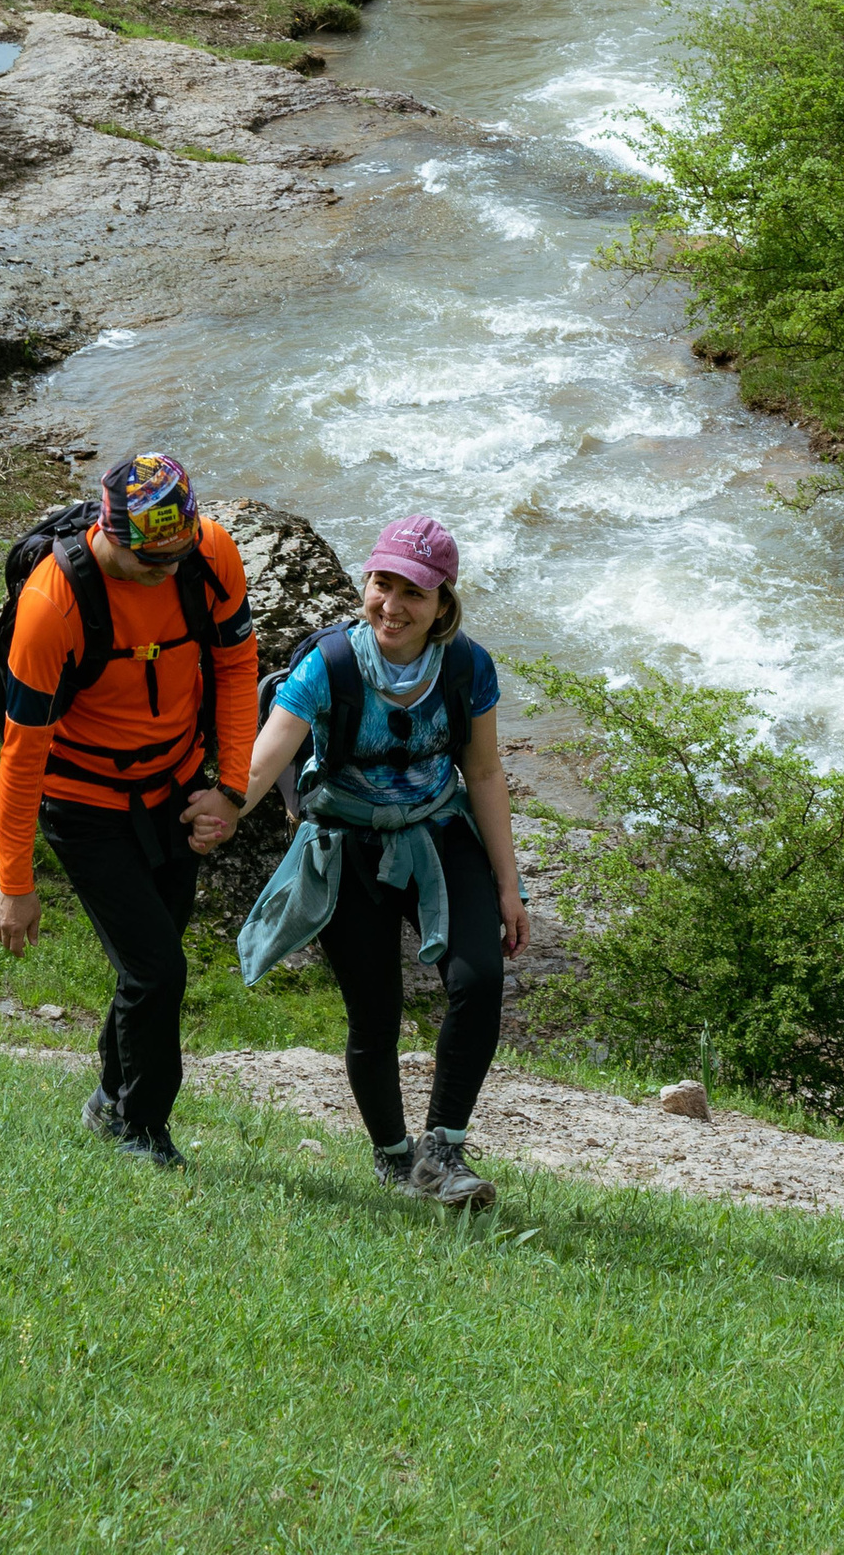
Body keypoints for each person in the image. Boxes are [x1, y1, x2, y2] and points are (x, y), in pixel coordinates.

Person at [236, 513, 528, 1209]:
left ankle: (443, 1150)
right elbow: (265, 759)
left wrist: (508, 886)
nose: (392, 606)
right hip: (346, 841)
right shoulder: (328, 664)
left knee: (479, 978)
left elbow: (484, 774)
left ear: (443, 604)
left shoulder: (468, 667)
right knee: (375, 1014)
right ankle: (396, 1159)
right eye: (381, 585)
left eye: (413, 593)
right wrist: (219, 813)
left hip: (438, 831)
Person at [0, 448, 256, 1169]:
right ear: (110, 534)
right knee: (158, 970)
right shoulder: (52, 605)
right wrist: (16, 881)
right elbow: (22, 754)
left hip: (176, 786)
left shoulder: (209, 554)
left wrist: (230, 788)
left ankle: (109, 1099)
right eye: (151, 560)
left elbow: (236, 667)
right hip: (84, 805)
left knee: (151, 963)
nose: (167, 571)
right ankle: (143, 1130)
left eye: (178, 556)